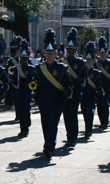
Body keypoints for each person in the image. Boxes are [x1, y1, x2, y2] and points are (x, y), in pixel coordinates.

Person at [34, 29, 73, 160]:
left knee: (53, 124)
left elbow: (69, 83)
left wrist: (67, 91)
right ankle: (48, 144)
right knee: (45, 124)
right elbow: (35, 82)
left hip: (57, 100)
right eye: (47, 53)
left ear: (55, 54)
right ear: (44, 54)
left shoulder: (62, 68)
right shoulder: (39, 68)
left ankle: (49, 147)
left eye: (51, 53)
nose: (49, 56)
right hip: (43, 100)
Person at [61, 28, 83, 147]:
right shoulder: (62, 63)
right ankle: (68, 136)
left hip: (75, 92)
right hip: (65, 92)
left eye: (72, 49)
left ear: (75, 50)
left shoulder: (80, 63)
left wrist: (78, 81)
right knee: (66, 115)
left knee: (73, 114)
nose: (70, 51)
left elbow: (84, 79)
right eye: (69, 49)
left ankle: (73, 138)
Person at [13, 39, 36, 138]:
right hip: (19, 91)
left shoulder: (31, 68)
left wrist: (27, 80)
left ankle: (26, 127)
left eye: (25, 58)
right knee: (20, 110)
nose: (23, 59)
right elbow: (13, 79)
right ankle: (22, 129)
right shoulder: (16, 68)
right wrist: (14, 82)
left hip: (27, 92)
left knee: (26, 109)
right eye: (22, 58)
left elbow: (34, 80)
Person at [81, 41, 104, 139]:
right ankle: (87, 128)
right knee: (84, 112)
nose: (88, 63)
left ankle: (88, 130)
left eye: (90, 61)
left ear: (93, 62)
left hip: (91, 96)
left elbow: (99, 85)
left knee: (89, 112)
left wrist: (98, 93)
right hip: (83, 96)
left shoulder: (97, 73)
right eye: (87, 61)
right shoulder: (82, 72)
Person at [95, 37, 110, 127]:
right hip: (99, 87)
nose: (103, 55)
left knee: (105, 103)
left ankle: (106, 121)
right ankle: (102, 121)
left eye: (104, 54)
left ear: (107, 54)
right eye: (101, 54)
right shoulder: (96, 64)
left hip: (108, 88)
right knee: (99, 105)